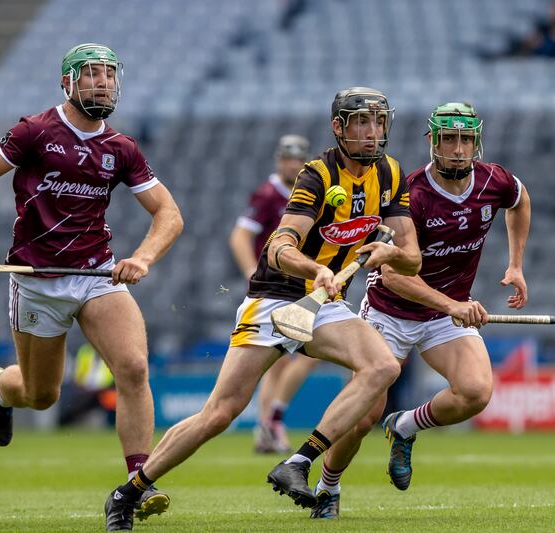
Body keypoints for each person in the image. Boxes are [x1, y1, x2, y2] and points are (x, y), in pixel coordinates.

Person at [103, 86, 421, 531]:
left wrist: (390, 254)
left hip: (324, 307)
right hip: (276, 300)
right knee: (220, 413)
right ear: (339, 127)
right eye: (361, 123)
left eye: (379, 122)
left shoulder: (389, 173)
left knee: (383, 367)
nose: (372, 133)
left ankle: (298, 461)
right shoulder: (317, 175)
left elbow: (413, 256)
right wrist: (317, 271)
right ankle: (129, 492)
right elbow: (278, 247)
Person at [0, 43, 183, 519]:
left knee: (134, 367)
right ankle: (2, 388)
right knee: (42, 395)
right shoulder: (35, 132)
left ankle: (135, 484)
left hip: (96, 274)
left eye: (109, 74)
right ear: (68, 82)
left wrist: (141, 257)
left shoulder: (121, 149)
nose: (103, 82)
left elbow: (168, 213)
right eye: (91, 74)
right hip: (36, 279)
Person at [308, 102, 530, 519]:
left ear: (476, 142)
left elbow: (520, 200)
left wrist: (515, 264)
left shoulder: (493, 180)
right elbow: (392, 276)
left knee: (476, 392)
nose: (458, 149)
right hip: (389, 312)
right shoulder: (410, 193)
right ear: (433, 142)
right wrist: (453, 305)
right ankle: (327, 488)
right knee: (362, 417)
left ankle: (406, 426)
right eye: (449, 139)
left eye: (466, 140)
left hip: (443, 317)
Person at [228, 134, 318, 454]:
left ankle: (268, 424)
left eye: (297, 159)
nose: (291, 165)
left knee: (299, 358)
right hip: (275, 288)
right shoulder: (269, 193)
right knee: (284, 359)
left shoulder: (309, 191)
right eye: (286, 159)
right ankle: (269, 424)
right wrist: (251, 270)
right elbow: (240, 235)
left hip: (300, 286)